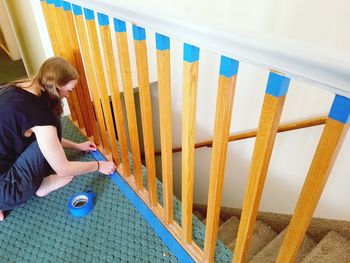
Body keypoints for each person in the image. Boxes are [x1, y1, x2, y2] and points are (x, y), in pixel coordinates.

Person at [0, 57, 116, 221]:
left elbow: (48, 140)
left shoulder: (15, 88)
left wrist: (77, 146)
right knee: (46, 137)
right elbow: (63, 168)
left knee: (40, 137)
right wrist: (99, 166)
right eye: (69, 90)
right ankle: (39, 186)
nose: (68, 96)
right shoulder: (40, 115)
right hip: (8, 187)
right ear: (55, 88)